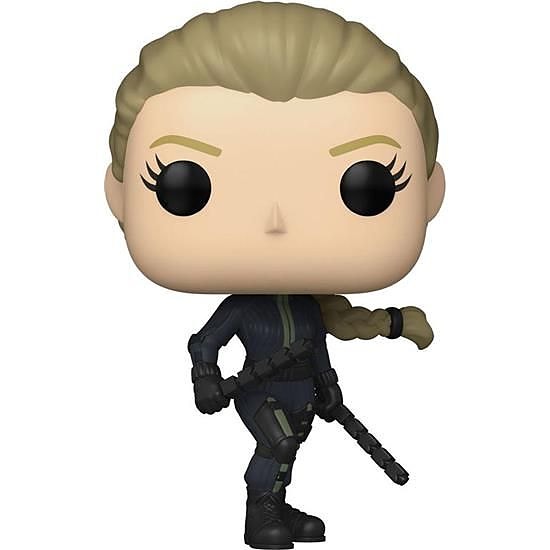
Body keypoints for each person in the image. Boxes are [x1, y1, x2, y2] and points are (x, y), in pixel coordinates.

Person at [105, 3, 445, 548]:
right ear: (118, 194)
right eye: (185, 184)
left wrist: (328, 386)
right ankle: (257, 516)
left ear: (431, 194)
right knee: (277, 444)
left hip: (301, 389)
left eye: (368, 185)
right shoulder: (244, 308)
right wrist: (205, 378)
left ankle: (278, 509)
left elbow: (319, 342)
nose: (275, 222)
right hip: (257, 391)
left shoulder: (309, 305)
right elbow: (204, 342)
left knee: (289, 450)